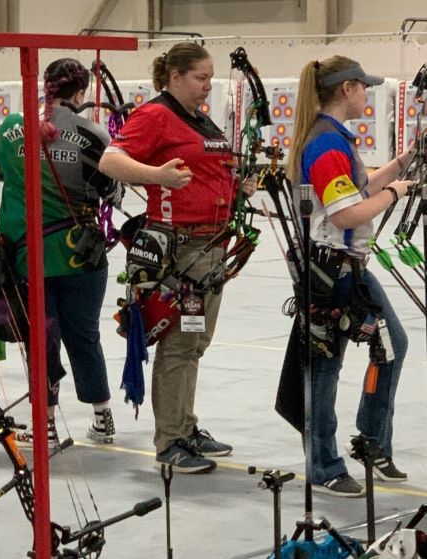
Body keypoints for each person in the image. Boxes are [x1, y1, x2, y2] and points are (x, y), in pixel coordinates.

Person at [99, 42, 257, 474]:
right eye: (200, 78)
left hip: (211, 245)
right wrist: (157, 176)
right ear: (174, 77)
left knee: (195, 344)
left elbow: (206, 167)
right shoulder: (154, 115)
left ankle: (185, 427)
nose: (208, 86)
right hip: (179, 248)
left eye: (210, 78)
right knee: (180, 346)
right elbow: (111, 160)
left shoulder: (198, 117)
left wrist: (235, 185)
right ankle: (170, 441)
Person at [282, 55, 415, 497]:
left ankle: (372, 443)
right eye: (363, 87)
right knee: (325, 368)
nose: (367, 94)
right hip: (332, 271)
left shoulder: (333, 138)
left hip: (343, 269)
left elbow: (357, 189)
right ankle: (324, 467)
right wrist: (396, 192)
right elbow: (346, 214)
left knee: (390, 345)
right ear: (345, 89)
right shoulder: (326, 145)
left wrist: (402, 164)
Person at [0, 58, 123, 446]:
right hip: (80, 256)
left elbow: (6, 171)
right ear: (80, 93)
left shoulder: (9, 129)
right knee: (84, 336)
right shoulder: (94, 134)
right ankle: (103, 419)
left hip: (28, 255)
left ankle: (45, 425)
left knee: (41, 338)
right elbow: (112, 193)